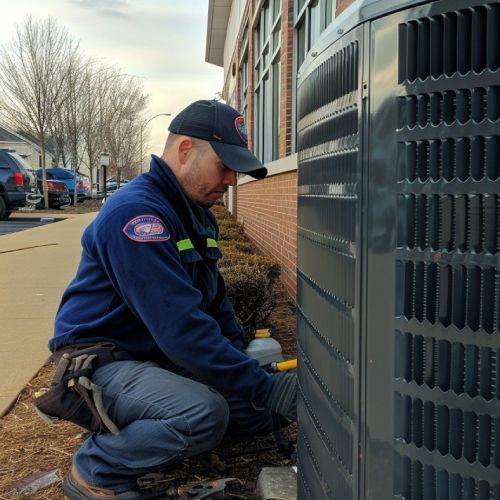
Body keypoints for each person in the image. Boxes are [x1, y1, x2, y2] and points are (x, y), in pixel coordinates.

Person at [46, 100, 297, 499]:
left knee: (255, 409)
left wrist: (253, 376)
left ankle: (159, 431)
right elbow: (181, 329)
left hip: (154, 355)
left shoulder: (196, 215)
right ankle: (96, 470)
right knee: (203, 414)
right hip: (104, 360)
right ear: (185, 152)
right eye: (225, 166)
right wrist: (264, 386)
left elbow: (216, 306)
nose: (232, 180)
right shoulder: (137, 217)